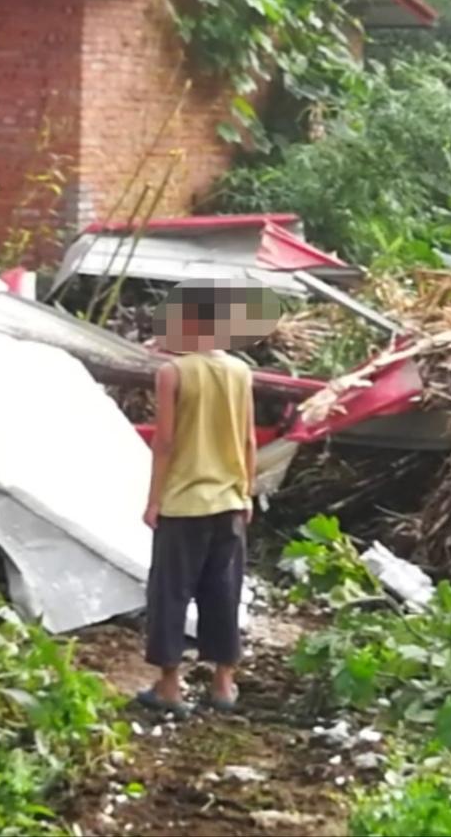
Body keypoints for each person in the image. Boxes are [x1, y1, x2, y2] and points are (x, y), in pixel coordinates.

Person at [138, 282, 258, 717]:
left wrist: (154, 501)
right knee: (223, 591)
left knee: (171, 592)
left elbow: (165, 442)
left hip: (184, 503)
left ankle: (170, 687)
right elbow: (247, 439)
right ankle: (223, 684)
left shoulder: (173, 373)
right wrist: (246, 491)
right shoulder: (242, 372)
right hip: (229, 501)